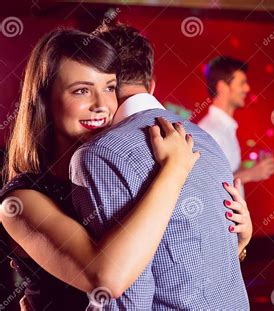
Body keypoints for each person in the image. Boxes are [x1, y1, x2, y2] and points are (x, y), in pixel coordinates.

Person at [0, 28, 249, 310]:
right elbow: (108, 277)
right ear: (45, 99)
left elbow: (161, 257)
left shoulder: (101, 172)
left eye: (109, 88)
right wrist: (174, 171)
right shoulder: (19, 201)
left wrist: (237, 243)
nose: (102, 105)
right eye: (81, 90)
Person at [199, 56, 274, 192]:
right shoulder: (209, 131)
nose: (247, 88)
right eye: (242, 83)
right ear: (222, 87)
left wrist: (253, 168)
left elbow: (225, 172)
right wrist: (251, 174)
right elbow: (204, 186)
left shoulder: (225, 128)